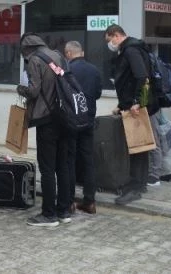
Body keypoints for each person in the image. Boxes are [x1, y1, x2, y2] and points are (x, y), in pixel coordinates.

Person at [16, 32, 72, 227]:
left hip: (46, 119)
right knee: (62, 166)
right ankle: (64, 211)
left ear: (26, 49)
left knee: (47, 168)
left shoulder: (35, 60)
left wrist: (20, 89)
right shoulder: (58, 55)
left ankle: (49, 214)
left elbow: (33, 90)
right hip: (64, 117)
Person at [104, 24, 161, 206]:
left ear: (116, 35)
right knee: (138, 148)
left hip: (137, 107)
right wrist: (121, 105)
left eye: (109, 40)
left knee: (138, 148)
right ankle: (138, 185)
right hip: (132, 105)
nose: (110, 44)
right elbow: (128, 80)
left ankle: (135, 187)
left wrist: (138, 102)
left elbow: (142, 77)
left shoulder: (131, 50)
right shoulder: (130, 49)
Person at [64, 40, 103, 215]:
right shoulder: (94, 70)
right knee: (88, 160)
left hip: (71, 121)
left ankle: (70, 201)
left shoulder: (66, 70)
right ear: (82, 53)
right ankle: (89, 201)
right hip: (88, 120)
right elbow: (98, 94)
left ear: (68, 54)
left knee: (70, 160)